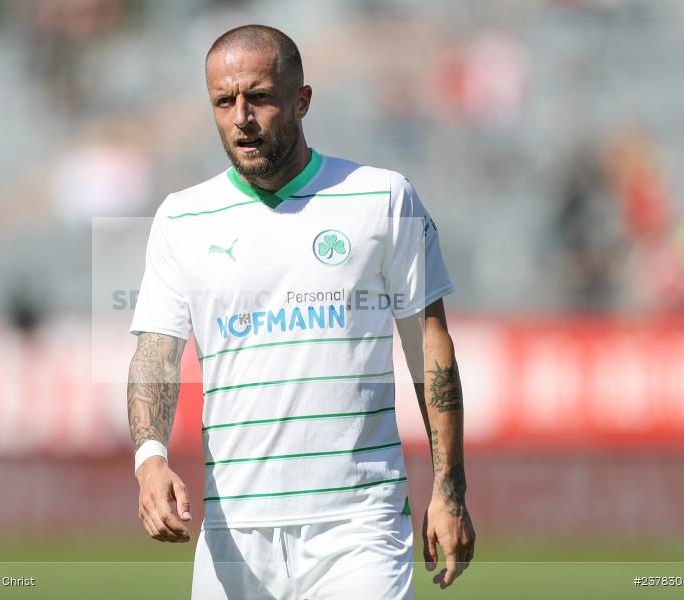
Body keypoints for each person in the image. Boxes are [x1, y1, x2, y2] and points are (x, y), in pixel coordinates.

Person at [127, 24, 474, 599]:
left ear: (302, 100)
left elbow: (429, 347)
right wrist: (150, 460)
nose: (242, 117)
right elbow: (154, 353)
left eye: (259, 97)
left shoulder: (383, 197)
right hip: (233, 533)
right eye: (224, 101)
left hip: (360, 526)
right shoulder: (180, 218)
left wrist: (450, 489)